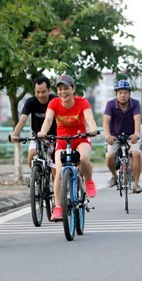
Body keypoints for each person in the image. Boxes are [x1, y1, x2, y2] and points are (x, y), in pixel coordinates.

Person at [37, 74, 99, 221]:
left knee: (83, 158)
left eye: (66, 88)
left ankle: (89, 181)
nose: (63, 92)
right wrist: (43, 132)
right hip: (62, 140)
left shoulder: (82, 102)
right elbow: (48, 120)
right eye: (60, 89)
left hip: (81, 138)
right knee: (59, 171)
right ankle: (58, 207)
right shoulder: (54, 103)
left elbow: (90, 119)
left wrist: (93, 129)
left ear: (73, 89)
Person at [103, 79, 142, 193]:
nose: (122, 95)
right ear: (116, 94)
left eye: (125, 92)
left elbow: (137, 119)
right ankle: (114, 175)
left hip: (131, 137)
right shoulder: (110, 104)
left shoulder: (135, 103)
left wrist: (136, 133)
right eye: (120, 92)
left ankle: (136, 184)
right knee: (109, 155)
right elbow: (106, 120)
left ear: (129, 94)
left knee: (136, 154)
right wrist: (108, 136)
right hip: (114, 136)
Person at [10, 76, 57, 167]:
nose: (40, 95)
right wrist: (15, 134)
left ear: (49, 90)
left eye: (43, 92)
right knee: (31, 155)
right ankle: (35, 177)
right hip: (37, 136)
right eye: (37, 92)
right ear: (34, 91)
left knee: (55, 165)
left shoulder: (55, 100)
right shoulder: (30, 102)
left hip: (54, 136)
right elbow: (23, 119)